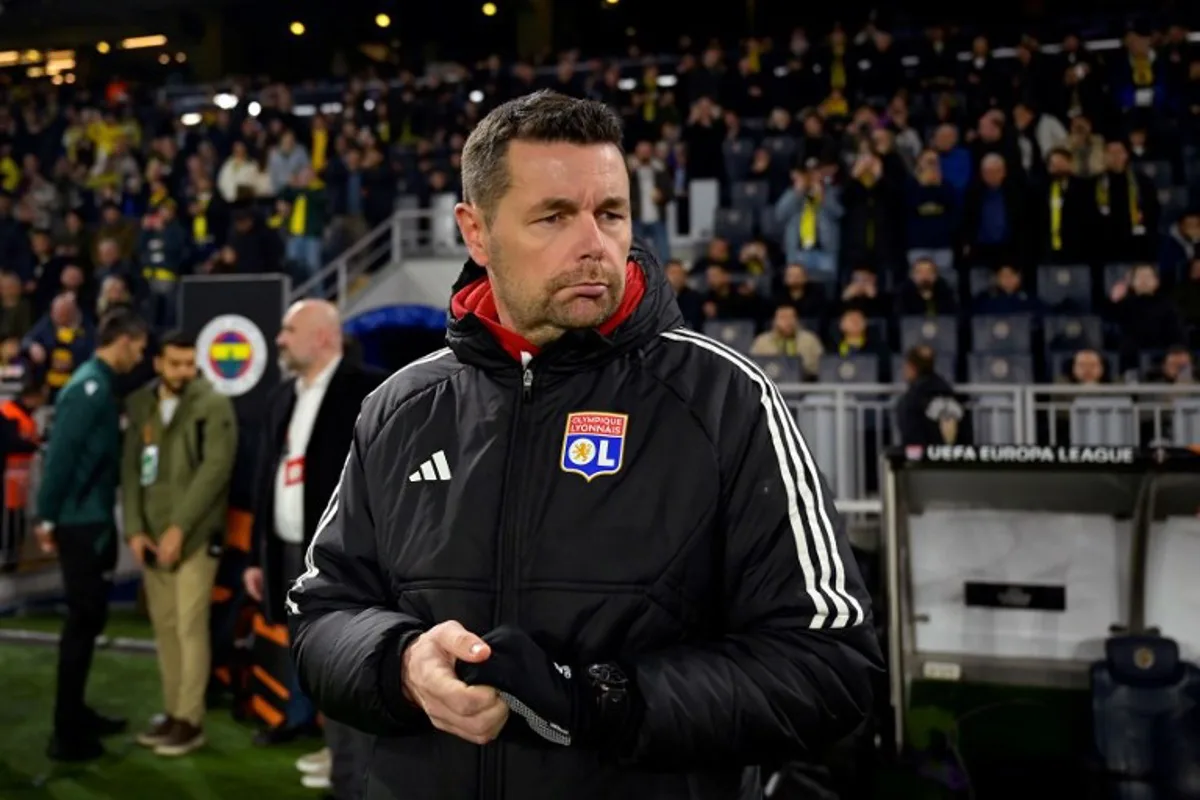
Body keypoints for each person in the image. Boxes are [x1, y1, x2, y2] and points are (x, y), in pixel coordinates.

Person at [287, 90, 881, 799]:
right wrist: (403, 664)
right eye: (555, 217)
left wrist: (603, 703)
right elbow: (322, 614)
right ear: (476, 233)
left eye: (610, 213)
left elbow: (831, 663)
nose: (593, 243)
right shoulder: (401, 408)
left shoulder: (726, 400)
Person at [243, 299, 385, 796]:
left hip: (340, 560)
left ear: (323, 336)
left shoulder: (368, 391)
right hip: (285, 549)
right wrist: (257, 557)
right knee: (306, 657)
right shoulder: (283, 396)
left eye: (288, 329)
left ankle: (351, 770)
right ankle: (328, 748)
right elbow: (267, 478)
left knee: (342, 664)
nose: (279, 339)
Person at [35, 307, 149, 761]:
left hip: (88, 520)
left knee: (87, 623)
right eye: (138, 350)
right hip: (80, 524)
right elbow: (61, 456)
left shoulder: (96, 385)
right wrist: (46, 518)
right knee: (81, 626)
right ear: (122, 341)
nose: (139, 359)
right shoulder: (89, 388)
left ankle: (76, 714)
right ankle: (65, 733)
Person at [121, 330, 238, 756]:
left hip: (195, 540)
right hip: (151, 539)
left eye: (189, 364)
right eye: (174, 364)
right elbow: (131, 470)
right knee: (165, 628)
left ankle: (190, 720)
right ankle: (172, 713)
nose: (183, 372)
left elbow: (215, 471)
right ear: (158, 363)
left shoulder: (212, 403)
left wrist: (178, 530)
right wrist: (134, 528)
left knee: (189, 629)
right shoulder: (141, 405)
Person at [0, 377, 47, 572]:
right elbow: (10, 443)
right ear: (30, 397)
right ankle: (7, 557)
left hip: (19, 478)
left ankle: (14, 555)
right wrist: (34, 445)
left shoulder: (26, 416)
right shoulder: (8, 413)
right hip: (6, 476)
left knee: (16, 518)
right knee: (8, 520)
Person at [895, 345, 965, 446]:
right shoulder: (950, 393)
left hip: (923, 457)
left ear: (912, 368)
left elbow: (911, 435)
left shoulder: (911, 400)